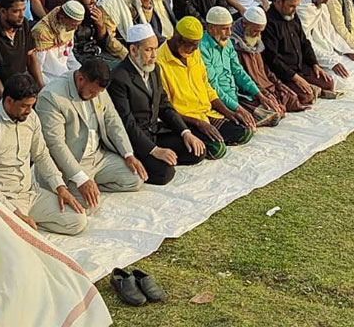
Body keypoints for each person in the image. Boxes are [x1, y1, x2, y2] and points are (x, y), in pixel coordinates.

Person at [0, 73, 85, 234]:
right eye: (24, 106)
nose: (29, 111)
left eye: (32, 105)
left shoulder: (31, 118)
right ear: (8, 101)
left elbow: (41, 155)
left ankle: (27, 225)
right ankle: (19, 225)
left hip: (30, 194)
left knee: (77, 220)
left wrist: (60, 187)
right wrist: (13, 212)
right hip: (4, 199)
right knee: (15, 236)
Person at [36, 58, 146, 212]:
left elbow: (112, 119)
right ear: (81, 79)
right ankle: (77, 185)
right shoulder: (51, 97)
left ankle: (92, 183)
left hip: (97, 157)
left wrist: (128, 154)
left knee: (135, 178)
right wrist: (81, 178)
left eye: (99, 92)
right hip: (71, 161)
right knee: (88, 206)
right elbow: (56, 144)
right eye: (93, 92)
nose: (96, 96)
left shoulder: (98, 89)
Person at [107, 23, 206, 185]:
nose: (154, 55)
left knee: (197, 150)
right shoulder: (120, 77)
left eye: (155, 49)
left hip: (155, 132)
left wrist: (185, 132)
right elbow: (126, 123)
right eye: (148, 50)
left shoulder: (154, 69)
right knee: (164, 173)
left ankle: (164, 158)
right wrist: (154, 151)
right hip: (135, 142)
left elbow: (164, 106)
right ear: (133, 50)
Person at [157, 17, 253, 160]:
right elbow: (166, 108)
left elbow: (207, 87)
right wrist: (198, 123)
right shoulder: (159, 62)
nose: (196, 49)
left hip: (207, 113)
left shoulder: (194, 53)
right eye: (193, 45)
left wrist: (228, 112)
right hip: (185, 121)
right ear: (178, 39)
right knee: (217, 149)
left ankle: (213, 135)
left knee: (244, 131)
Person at [261, 0, 336, 103]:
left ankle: (316, 88)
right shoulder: (269, 23)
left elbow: (304, 41)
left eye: (296, 6)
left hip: (301, 67)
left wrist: (314, 64)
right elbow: (272, 59)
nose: (295, 10)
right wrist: (295, 77)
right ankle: (313, 90)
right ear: (279, 3)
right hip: (285, 73)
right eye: (292, 6)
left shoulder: (293, 15)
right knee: (306, 96)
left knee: (328, 83)